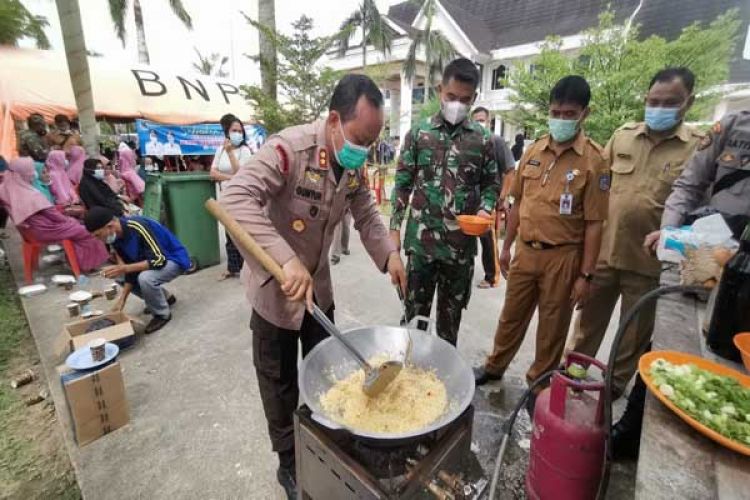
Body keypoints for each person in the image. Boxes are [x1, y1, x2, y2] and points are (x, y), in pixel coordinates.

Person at [220, 74, 406, 499]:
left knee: (330, 373)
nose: (365, 150)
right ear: (335, 120)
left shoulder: (351, 163)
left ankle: (328, 440)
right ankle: (289, 464)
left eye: (373, 142)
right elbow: (235, 200)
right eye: (361, 138)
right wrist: (285, 259)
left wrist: (389, 254)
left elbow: (367, 214)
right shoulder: (290, 149)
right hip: (275, 293)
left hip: (318, 293)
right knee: (280, 383)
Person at [613, 108, 750, 460]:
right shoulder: (735, 124)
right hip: (709, 248)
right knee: (679, 340)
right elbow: (689, 185)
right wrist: (672, 232)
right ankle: (628, 432)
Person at [474, 76, 609, 414]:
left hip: (563, 257)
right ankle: (494, 366)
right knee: (511, 316)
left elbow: (595, 224)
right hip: (526, 252)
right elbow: (518, 203)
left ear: (584, 114)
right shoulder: (533, 150)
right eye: (555, 112)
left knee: (552, 325)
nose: (561, 119)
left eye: (569, 113)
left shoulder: (594, 161)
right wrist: (506, 247)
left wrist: (586, 276)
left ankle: (540, 382)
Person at [569, 67, 703, 398]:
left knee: (633, 334)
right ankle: (573, 377)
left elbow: (700, 210)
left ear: (689, 102)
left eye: (669, 102)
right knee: (587, 324)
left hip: (648, 264)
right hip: (605, 254)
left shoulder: (698, 148)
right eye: (653, 101)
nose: (658, 109)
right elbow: (598, 190)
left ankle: (612, 388)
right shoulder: (623, 137)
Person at [390, 58, 500, 346]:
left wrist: (486, 208)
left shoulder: (484, 139)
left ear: (474, 98)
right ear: (440, 90)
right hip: (421, 246)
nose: (457, 104)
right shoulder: (418, 133)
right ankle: (409, 380)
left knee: (449, 327)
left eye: (465, 99)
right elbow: (402, 184)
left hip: (459, 250)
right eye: (451, 97)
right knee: (412, 322)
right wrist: (394, 232)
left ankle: (441, 385)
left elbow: (491, 183)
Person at [84, 207, 189, 333]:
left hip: (174, 259)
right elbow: (130, 271)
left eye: (98, 235)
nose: (98, 239)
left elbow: (159, 260)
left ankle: (162, 314)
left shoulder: (138, 226)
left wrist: (125, 268)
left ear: (110, 226)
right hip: (155, 262)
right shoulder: (115, 238)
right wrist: (122, 300)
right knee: (119, 275)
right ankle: (165, 297)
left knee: (145, 278)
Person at [0, 157, 108, 272]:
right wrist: (71, 219)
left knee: (79, 225)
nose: (33, 174)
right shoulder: (30, 194)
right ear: (25, 173)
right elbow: (55, 217)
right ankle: (85, 265)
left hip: (30, 232)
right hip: (45, 230)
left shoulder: (7, 188)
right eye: (31, 171)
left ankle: (78, 261)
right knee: (88, 231)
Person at [471, 106, 514, 288]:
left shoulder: (496, 141)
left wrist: (502, 196)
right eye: (476, 120)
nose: (479, 123)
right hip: (470, 198)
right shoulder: (470, 142)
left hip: (489, 199)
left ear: (488, 122)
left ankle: (492, 276)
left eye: (482, 119)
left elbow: (510, 170)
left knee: (488, 238)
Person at [210, 114, 253, 279]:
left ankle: (247, 268)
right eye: (234, 130)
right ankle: (232, 267)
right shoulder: (219, 150)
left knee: (241, 233)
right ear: (227, 132)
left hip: (241, 196)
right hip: (224, 196)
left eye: (240, 131)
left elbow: (241, 173)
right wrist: (229, 178)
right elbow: (212, 173)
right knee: (229, 233)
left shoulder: (245, 150)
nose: (238, 134)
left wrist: (230, 153)